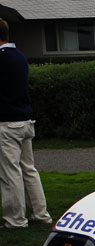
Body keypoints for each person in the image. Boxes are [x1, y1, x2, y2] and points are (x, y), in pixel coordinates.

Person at [0, 17, 51, 229]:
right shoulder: (19, 56)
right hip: (24, 120)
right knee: (28, 169)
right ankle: (40, 214)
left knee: (10, 172)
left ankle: (15, 219)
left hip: (7, 123)